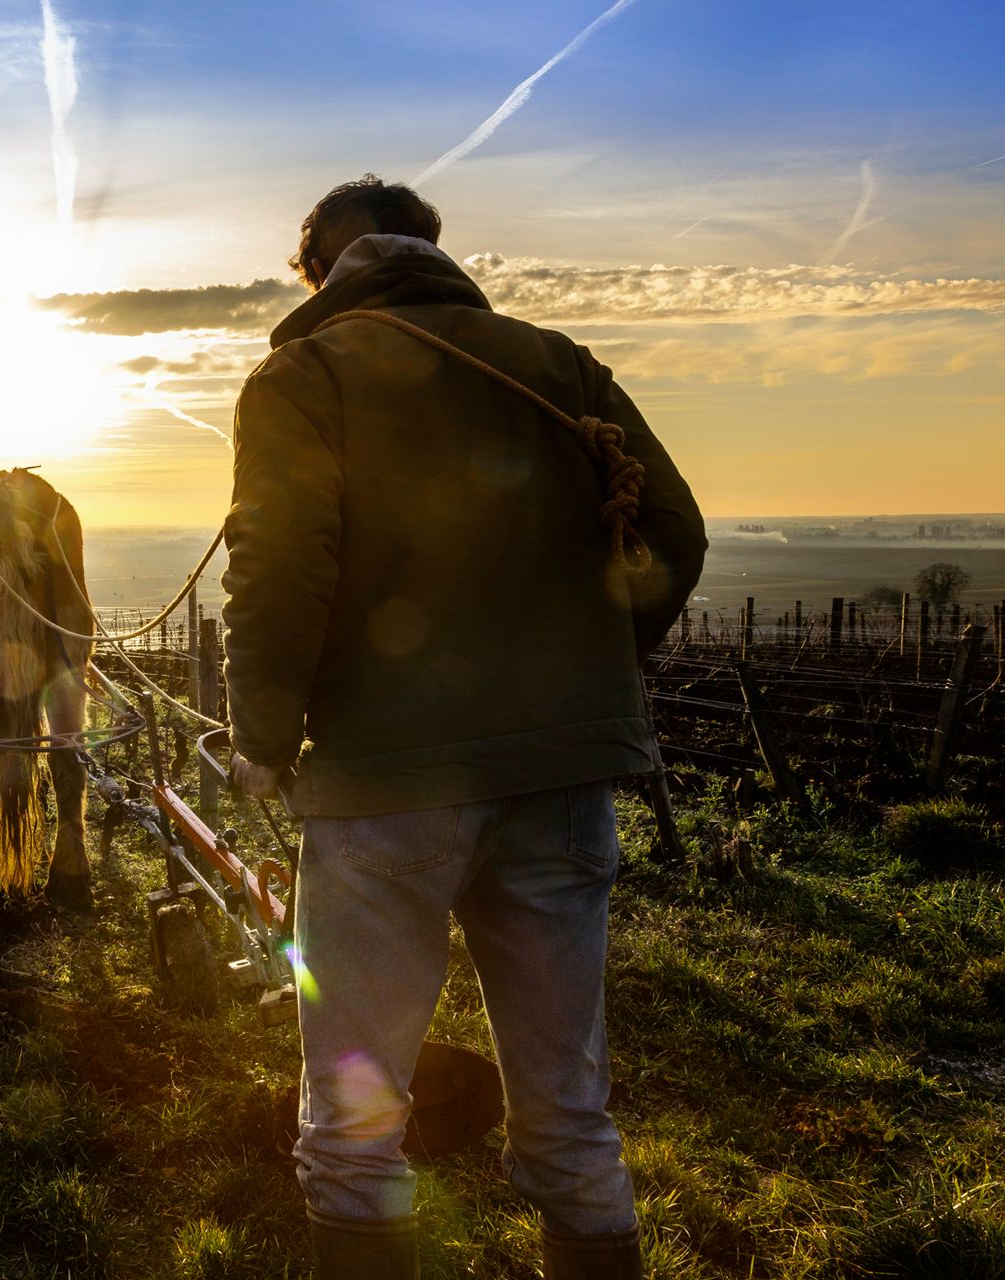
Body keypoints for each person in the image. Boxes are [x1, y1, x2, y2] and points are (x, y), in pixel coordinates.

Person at [222, 175, 706, 1279]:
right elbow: (676, 531)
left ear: (318, 269)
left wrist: (265, 732)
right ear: (434, 248)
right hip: (561, 779)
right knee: (570, 1108)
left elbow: (282, 563)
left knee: (354, 1121)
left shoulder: (303, 375)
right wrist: (590, 673)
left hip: (384, 782)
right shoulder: (559, 367)